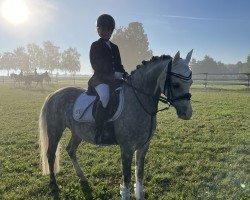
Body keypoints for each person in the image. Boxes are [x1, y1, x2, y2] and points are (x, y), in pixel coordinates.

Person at [88, 14, 128, 144]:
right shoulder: (95, 45)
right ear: (98, 30)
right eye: (103, 29)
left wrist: (125, 74)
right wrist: (113, 75)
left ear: (112, 30)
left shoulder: (115, 47)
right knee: (105, 96)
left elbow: (119, 65)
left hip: (113, 79)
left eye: (109, 29)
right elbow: (96, 66)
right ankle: (98, 131)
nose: (107, 32)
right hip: (99, 79)